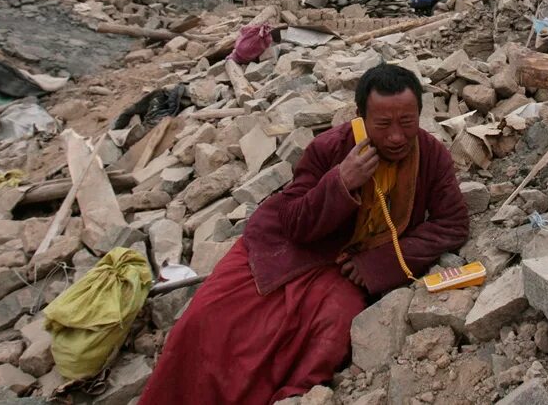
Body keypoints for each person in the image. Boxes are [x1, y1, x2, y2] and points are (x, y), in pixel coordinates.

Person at [139, 64, 469, 405]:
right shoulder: (331, 148)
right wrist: (341, 182)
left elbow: (453, 223)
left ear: (420, 113)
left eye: (407, 122)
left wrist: (378, 265)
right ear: (361, 118)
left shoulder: (431, 155)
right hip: (285, 250)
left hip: (347, 271)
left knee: (330, 333)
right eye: (383, 125)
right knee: (206, 319)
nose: (397, 137)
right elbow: (294, 222)